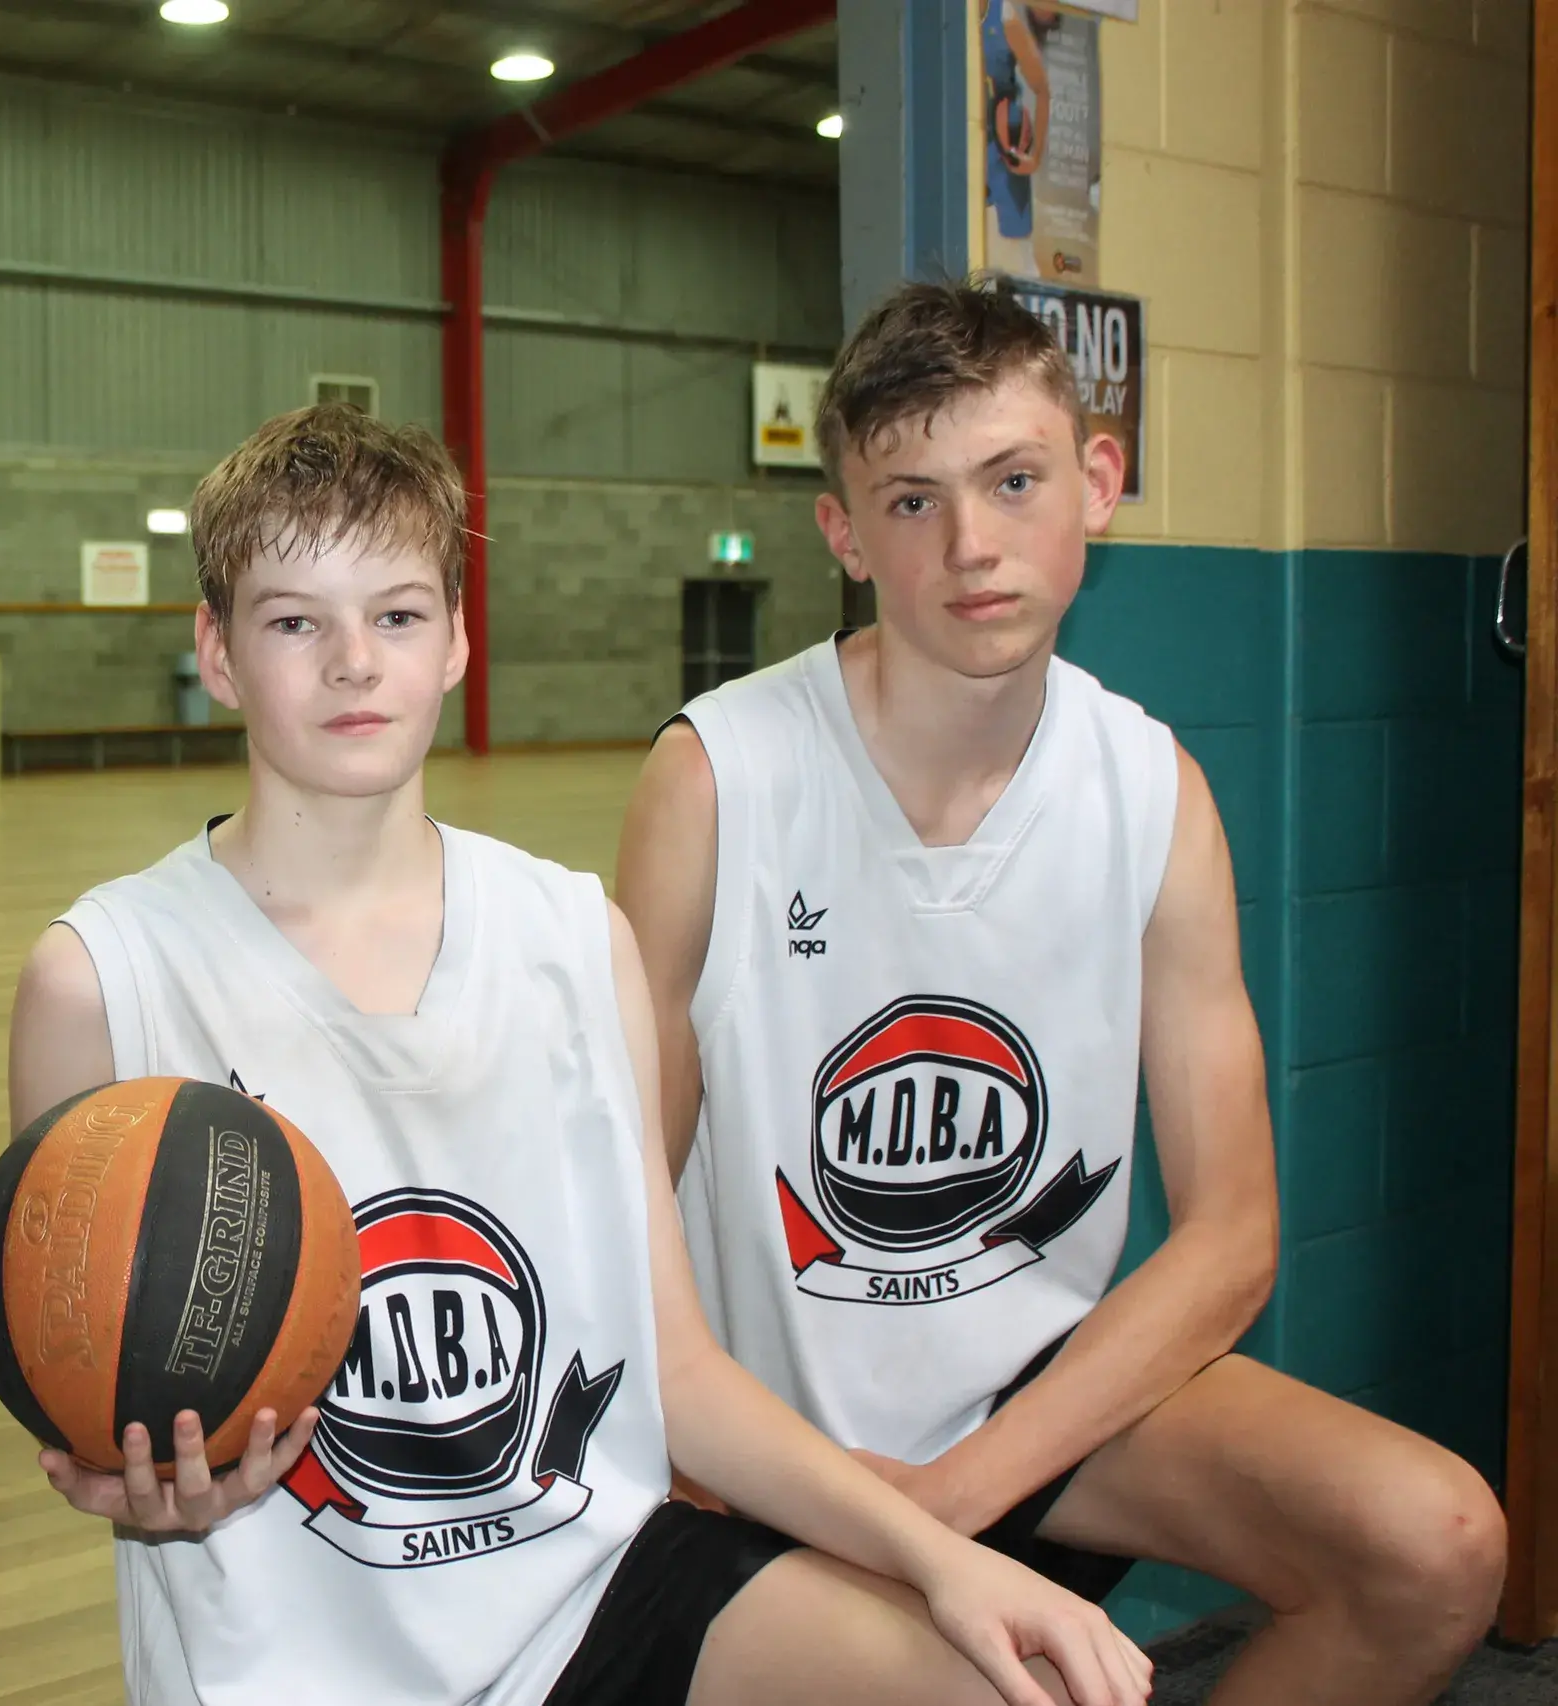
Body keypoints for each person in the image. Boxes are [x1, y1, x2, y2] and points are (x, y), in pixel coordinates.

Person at [8, 402, 1152, 1706]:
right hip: (295, 1666)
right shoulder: (104, 978)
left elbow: (679, 1369)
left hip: (591, 1589)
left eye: (396, 615)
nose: (353, 663)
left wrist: (945, 1560)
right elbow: (90, 1399)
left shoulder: (570, 936)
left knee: (1004, 1690)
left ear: (457, 640)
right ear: (217, 651)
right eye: (294, 623)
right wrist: (140, 1478)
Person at [615, 278, 1507, 1706]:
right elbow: (616, 1198)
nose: (972, 544)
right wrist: (705, 1462)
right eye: (912, 502)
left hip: (1035, 1402)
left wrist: (956, 1496)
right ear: (844, 533)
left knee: (1438, 1544)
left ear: (1096, 482)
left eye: (1013, 481)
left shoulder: (1153, 792)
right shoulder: (720, 778)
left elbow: (1233, 1236)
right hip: (779, 1443)